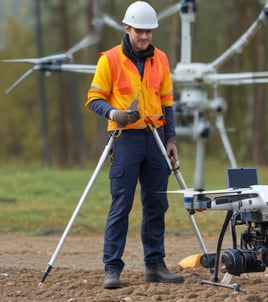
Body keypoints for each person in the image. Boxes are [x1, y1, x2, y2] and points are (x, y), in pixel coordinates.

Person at [85, 1, 184, 289]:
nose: (145, 37)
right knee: (121, 204)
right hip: (125, 138)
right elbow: (94, 99)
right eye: (140, 31)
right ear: (127, 29)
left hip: (156, 138)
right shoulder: (110, 59)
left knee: (157, 204)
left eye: (149, 32)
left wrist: (171, 139)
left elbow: (167, 102)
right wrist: (114, 113)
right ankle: (112, 268)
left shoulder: (161, 60)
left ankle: (155, 265)